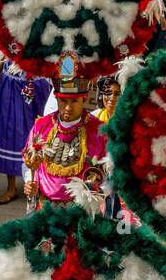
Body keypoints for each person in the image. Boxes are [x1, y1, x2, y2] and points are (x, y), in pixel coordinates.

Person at [22, 54, 107, 208]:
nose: (68, 108)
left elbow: (110, 172)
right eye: (63, 101)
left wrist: (97, 194)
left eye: (74, 101)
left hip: (82, 212)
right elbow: (28, 162)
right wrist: (30, 182)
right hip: (45, 209)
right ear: (56, 99)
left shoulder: (99, 130)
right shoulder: (42, 126)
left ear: (84, 99)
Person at [0, 61, 52, 204]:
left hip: (39, 87)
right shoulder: (8, 38)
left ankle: (41, 182)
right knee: (10, 133)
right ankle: (11, 187)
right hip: (10, 87)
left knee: (42, 133)